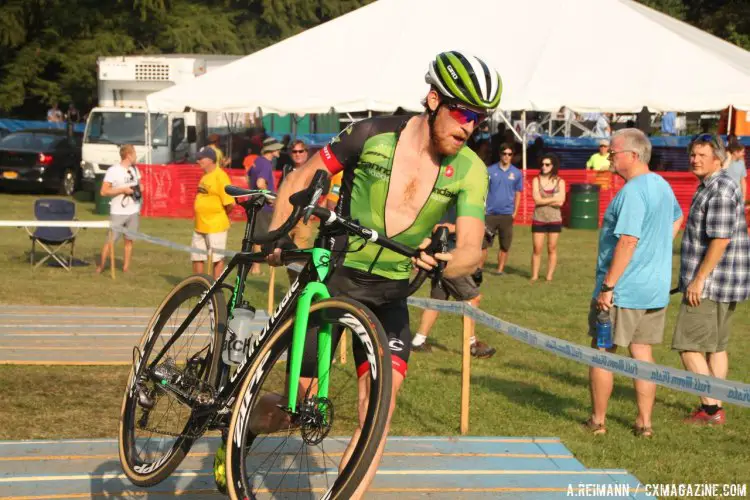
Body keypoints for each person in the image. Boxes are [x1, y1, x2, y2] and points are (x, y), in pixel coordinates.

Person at [212, 51, 501, 498]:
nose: (468, 126)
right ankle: (243, 423)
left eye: (478, 119)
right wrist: (275, 238)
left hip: (389, 296)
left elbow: (470, 249)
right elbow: (299, 179)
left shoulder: (471, 169)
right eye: (462, 111)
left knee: (377, 416)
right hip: (332, 279)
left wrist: (448, 263)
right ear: (432, 99)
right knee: (298, 408)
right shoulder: (371, 135)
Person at [585, 128, 683, 438]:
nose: (610, 158)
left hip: (623, 291)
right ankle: (645, 423)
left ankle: (598, 421)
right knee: (642, 354)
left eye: (614, 153)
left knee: (602, 352)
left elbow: (627, 241)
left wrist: (608, 287)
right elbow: (677, 218)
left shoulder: (633, 191)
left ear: (634, 155)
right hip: (653, 289)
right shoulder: (662, 185)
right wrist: (657, 250)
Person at [673, 134, 750, 425]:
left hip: (712, 282)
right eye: (693, 154)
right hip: (727, 281)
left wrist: (698, 279)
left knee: (688, 344)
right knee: (716, 346)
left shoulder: (718, 188)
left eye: (702, 155)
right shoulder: (716, 185)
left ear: (717, 159)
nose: (695, 160)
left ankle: (711, 409)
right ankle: (716, 407)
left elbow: (720, 239)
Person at [411, 212, 497, 358]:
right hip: (449, 259)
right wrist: (467, 228)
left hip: (444, 258)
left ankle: (418, 341)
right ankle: (472, 345)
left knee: (436, 302)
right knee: (472, 298)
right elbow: (439, 228)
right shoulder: (452, 200)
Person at [96, 144, 143, 274]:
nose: (136, 156)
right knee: (110, 241)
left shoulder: (135, 170)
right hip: (118, 212)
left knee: (129, 241)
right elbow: (104, 191)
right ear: (128, 155)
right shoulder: (113, 170)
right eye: (134, 153)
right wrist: (122, 190)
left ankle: (126, 268)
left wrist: (138, 190)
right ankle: (100, 266)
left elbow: (139, 185)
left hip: (133, 210)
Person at [191, 146, 235, 280]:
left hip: (215, 226)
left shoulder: (221, 177)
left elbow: (230, 203)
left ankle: (215, 289)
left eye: (201, 158)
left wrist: (219, 216)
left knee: (216, 258)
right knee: (197, 256)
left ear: (210, 159)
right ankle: (199, 285)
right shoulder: (205, 176)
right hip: (200, 224)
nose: (198, 160)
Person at [483, 142, 523, 275]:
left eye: (509, 154)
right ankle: (479, 269)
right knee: (483, 245)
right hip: (489, 213)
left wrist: (515, 212)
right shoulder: (490, 170)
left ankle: (499, 270)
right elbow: (483, 190)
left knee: (505, 245)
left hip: (507, 214)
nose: (506, 156)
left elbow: (518, 193)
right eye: (504, 154)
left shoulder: (516, 173)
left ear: (512, 156)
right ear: (500, 155)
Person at [247, 137, 282, 274]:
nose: (279, 150)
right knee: (260, 236)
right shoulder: (266, 164)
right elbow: (260, 183)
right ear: (271, 150)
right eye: (277, 148)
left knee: (257, 235)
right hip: (263, 206)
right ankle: (256, 267)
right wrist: (269, 198)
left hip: (256, 203)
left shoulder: (257, 161)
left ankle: (256, 265)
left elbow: (249, 176)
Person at [530, 153, 566, 282]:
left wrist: (544, 199)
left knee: (552, 248)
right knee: (537, 248)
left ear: (553, 166)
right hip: (539, 218)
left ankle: (549, 276)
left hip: (554, 219)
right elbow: (537, 200)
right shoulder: (536, 180)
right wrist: (553, 199)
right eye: (542, 164)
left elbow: (561, 201)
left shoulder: (560, 181)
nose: (544, 167)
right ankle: (534, 276)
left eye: (547, 164)